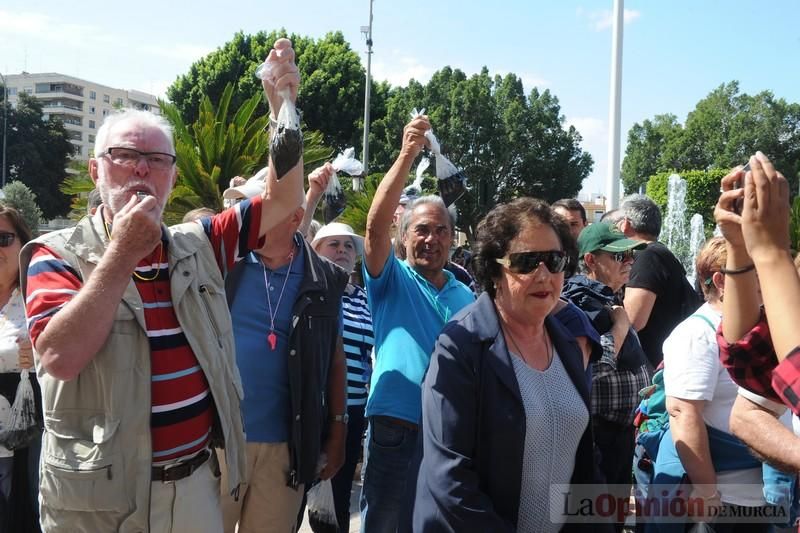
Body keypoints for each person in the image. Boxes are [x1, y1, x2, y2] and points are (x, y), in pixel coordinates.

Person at [21, 38, 305, 532]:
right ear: (95, 170)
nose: (140, 169)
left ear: (172, 177)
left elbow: (284, 202)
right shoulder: (56, 255)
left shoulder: (200, 245)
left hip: (195, 485)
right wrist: (122, 253)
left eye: (157, 160)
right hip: (101, 499)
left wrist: (282, 106)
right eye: (124, 155)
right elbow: (59, 358)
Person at [413, 198, 604, 532]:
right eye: (527, 262)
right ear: (494, 270)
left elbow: (585, 461)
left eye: (554, 260)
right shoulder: (460, 347)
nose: (543, 274)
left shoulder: (567, 346)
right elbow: (449, 478)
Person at [360, 115, 474, 532]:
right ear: (403, 237)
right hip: (397, 428)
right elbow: (374, 226)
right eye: (422, 230)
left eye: (442, 231)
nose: (433, 239)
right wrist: (408, 153)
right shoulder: (392, 278)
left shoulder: (467, 297)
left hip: (448, 438)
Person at [219, 168, 347, 533]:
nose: (246, 219)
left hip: (286, 451)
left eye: (256, 209)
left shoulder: (324, 279)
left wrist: (337, 434)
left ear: (292, 217)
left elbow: (334, 359)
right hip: (218, 444)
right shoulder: (223, 265)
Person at [662, 236, 777, 529]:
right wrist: (706, 490)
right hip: (729, 501)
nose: (767, 278)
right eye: (755, 270)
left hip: (764, 494)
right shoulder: (696, 334)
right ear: (721, 280)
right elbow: (682, 412)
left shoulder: (757, 327)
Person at [562, 221, 650, 529]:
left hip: (618, 435)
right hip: (598, 435)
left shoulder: (608, 300)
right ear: (590, 261)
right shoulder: (579, 301)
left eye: (630, 256)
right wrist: (620, 327)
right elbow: (593, 368)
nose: (628, 263)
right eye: (618, 257)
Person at [311, 222, 374, 532]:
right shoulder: (310, 291)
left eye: (348, 246)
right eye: (333, 244)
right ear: (315, 250)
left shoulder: (363, 298)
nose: (343, 250)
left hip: (353, 413)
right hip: (314, 411)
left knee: (335, 502)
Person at [618, 194, 700, 368]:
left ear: (624, 224)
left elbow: (633, 322)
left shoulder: (647, 256)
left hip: (659, 367)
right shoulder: (658, 252)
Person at [0, 206, 40, 533]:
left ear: (22, 243)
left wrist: (39, 358)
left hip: (23, 437)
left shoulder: (40, 296)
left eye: (3, 238)